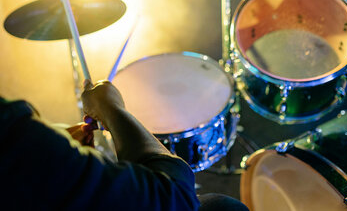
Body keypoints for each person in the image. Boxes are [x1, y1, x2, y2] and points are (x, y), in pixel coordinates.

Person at [0, 80, 248, 210]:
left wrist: (62, 148)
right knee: (223, 208)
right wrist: (110, 108)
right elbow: (174, 197)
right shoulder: (13, 138)